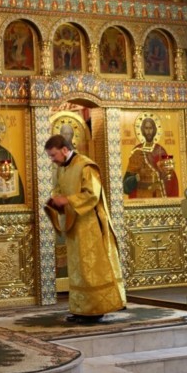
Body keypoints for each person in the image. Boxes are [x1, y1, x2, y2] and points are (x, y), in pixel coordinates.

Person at [44, 134, 126, 323]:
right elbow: (59, 190)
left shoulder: (86, 166)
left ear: (65, 150)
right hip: (73, 223)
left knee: (91, 268)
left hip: (90, 225)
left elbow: (92, 194)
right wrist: (55, 200)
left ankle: (95, 309)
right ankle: (80, 308)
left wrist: (67, 200)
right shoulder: (62, 168)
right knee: (78, 269)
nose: (52, 159)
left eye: (53, 155)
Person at [123, 117, 179, 199]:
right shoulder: (137, 151)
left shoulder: (160, 150)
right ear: (142, 130)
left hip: (158, 195)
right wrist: (135, 178)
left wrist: (164, 173)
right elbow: (125, 185)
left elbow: (169, 173)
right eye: (146, 128)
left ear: (155, 130)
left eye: (151, 128)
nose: (149, 131)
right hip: (140, 196)